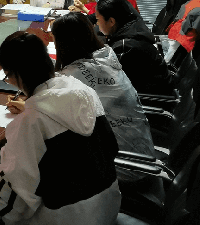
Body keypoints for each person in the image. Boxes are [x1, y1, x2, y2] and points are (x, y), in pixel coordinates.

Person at [0, 31, 120, 224]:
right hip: (108, 207)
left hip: (66, 219)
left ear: (16, 74)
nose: (8, 81)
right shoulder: (85, 92)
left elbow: (12, 206)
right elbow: (111, 147)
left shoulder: (30, 123)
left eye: (8, 76)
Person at [50, 12, 155, 182]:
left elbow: (49, 114)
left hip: (123, 166)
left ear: (63, 44)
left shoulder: (74, 76)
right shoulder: (106, 56)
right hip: (142, 153)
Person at [95, 0, 173, 94]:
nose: (97, 24)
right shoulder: (134, 28)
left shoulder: (125, 46)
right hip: (155, 89)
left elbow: (111, 83)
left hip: (152, 98)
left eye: (98, 20)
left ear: (111, 21)